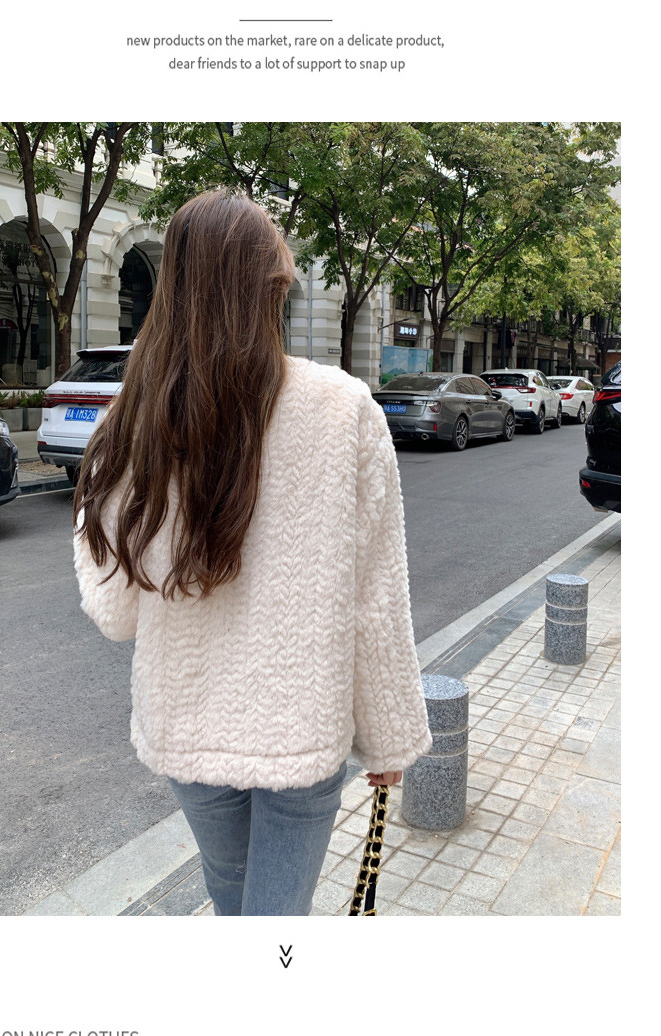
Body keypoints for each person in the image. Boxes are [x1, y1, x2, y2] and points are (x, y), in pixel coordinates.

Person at [72, 189, 432, 916]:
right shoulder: (344, 409)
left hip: (187, 727)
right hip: (302, 729)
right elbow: (375, 599)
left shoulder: (134, 423)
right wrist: (390, 738)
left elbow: (115, 613)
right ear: (273, 286)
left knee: (229, 897)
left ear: (173, 285)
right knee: (276, 922)